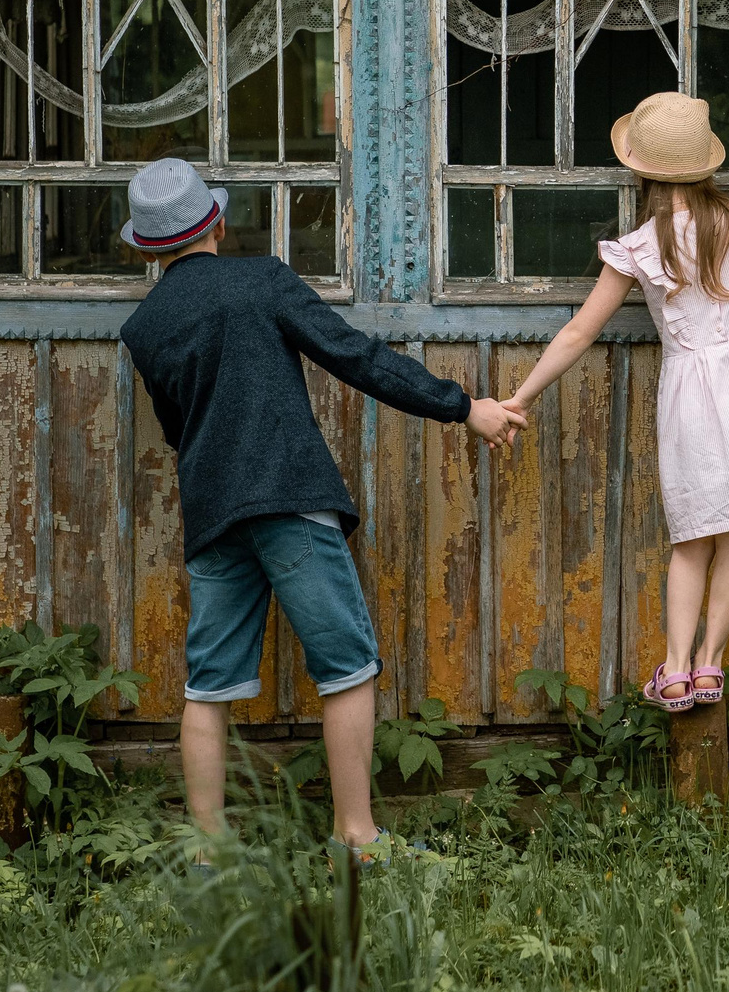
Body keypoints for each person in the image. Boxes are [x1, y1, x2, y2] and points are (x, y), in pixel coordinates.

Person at [115, 157, 525, 858]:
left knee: (207, 687)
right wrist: (464, 406)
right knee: (347, 666)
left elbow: (178, 426)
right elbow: (356, 357)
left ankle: (209, 850)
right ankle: (357, 836)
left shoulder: (144, 327)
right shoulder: (261, 278)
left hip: (213, 512)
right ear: (215, 221)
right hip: (289, 495)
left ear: (148, 247)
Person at [507, 92, 729, 709]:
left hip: (691, 391)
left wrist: (520, 397)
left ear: (639, 167)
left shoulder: (640, 246)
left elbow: (581, 331)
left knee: (693, 535)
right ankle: (712, 665)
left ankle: (678, 667)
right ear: (706, 163)